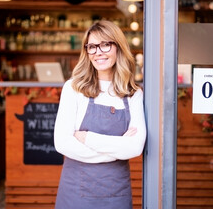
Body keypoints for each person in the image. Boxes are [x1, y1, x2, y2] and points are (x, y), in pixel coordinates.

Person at [54, 20, 146, 209]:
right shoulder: (73, 89)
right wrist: (117, 148)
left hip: (116, 194)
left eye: (105, 45)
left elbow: (135, 147)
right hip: (76, 193)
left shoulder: (133, 94)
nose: (98, 52)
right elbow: (62, 143)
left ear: (118, 48)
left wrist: (87, 138)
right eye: (92, 47)